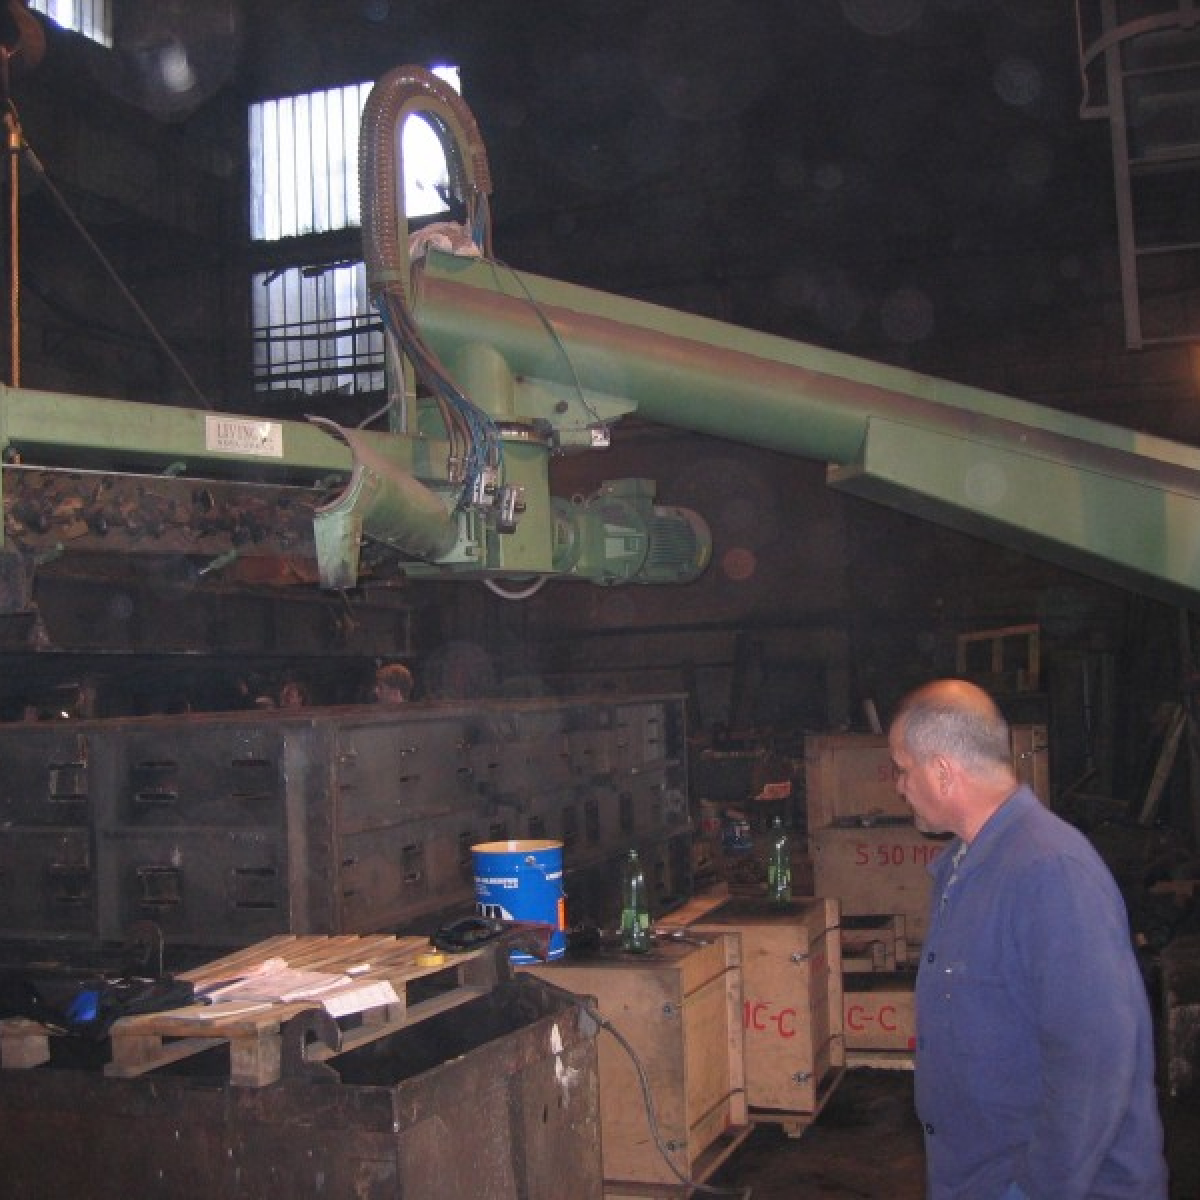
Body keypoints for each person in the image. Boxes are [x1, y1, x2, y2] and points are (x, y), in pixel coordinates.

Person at [888, 679, 1167, 1200]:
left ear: (942, 771)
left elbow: (1095, 1063)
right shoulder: (966, 868)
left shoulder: (1049, 872)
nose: (899, 787)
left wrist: (1036, 1188)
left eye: (903, 769)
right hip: (979, 1177)